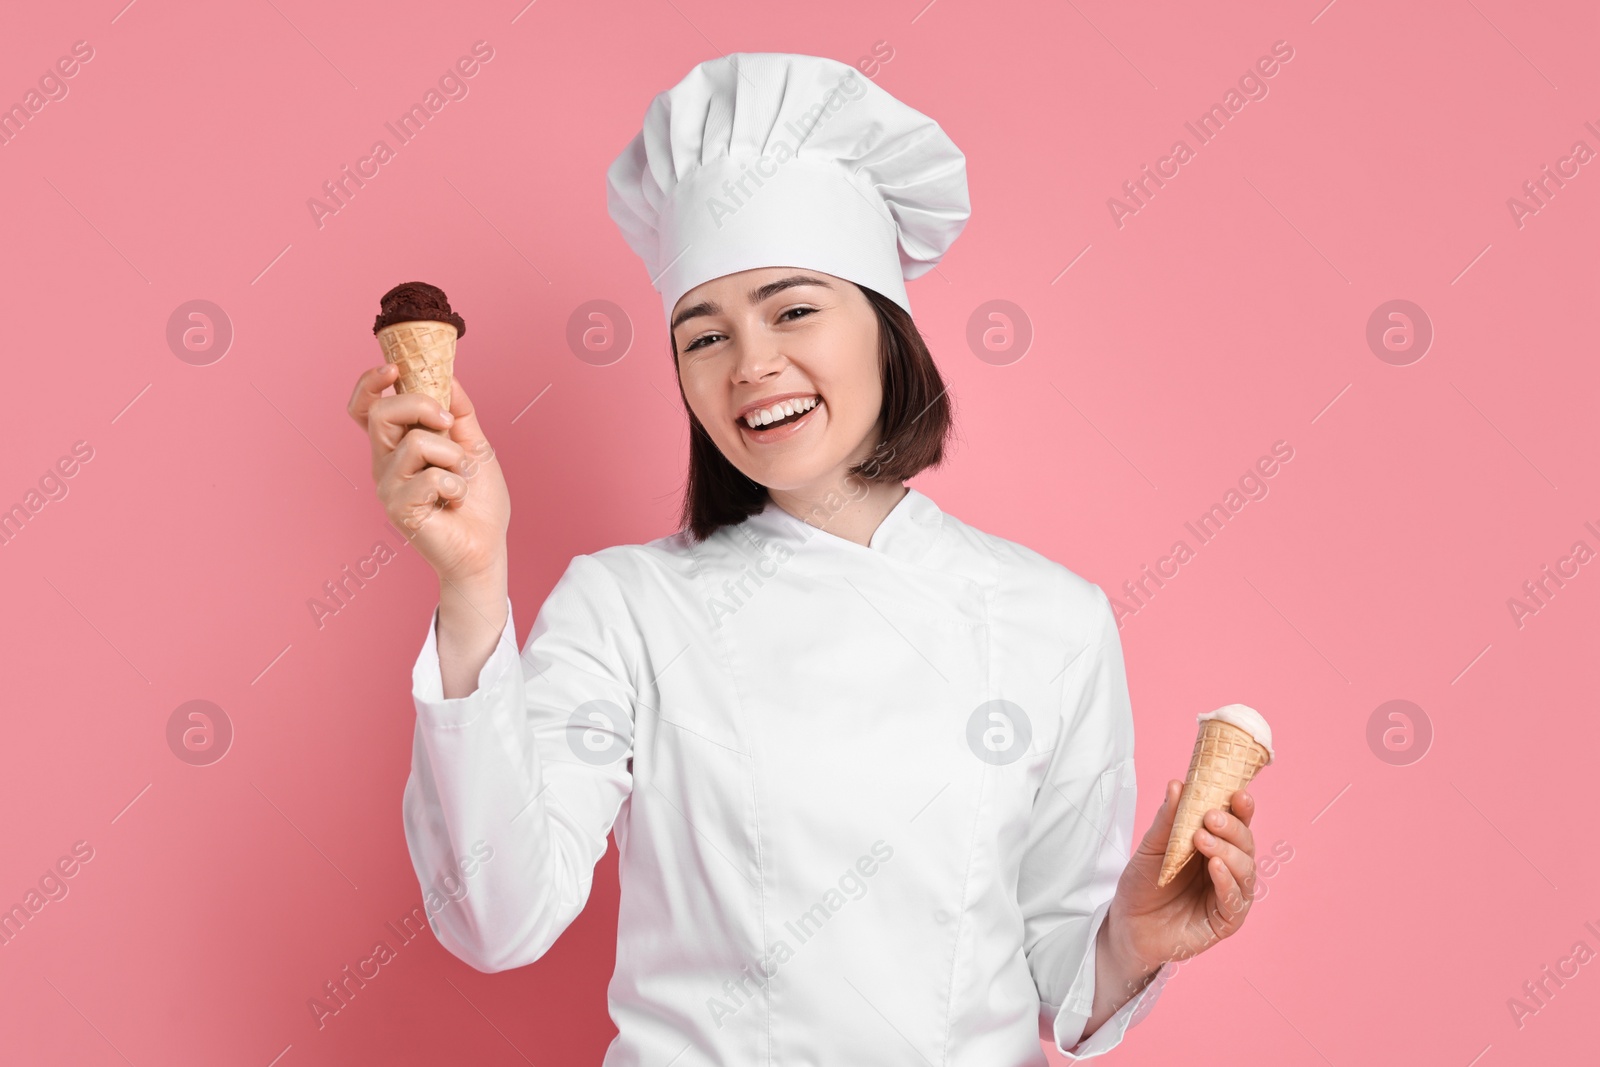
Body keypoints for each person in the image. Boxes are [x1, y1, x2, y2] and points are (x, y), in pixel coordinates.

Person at [346, 52, 1261, 1065]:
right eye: (703, 335)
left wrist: (1130, 937)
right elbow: (495, 916)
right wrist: (472, 584)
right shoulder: (626, 605)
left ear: (884, 325)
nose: (750, 366)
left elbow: (1061, 974)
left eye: (793, 309)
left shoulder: (1055, 618)